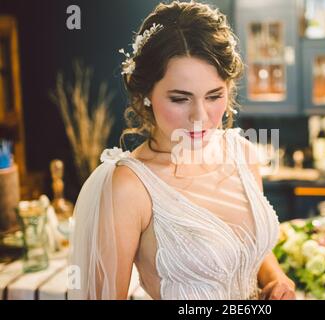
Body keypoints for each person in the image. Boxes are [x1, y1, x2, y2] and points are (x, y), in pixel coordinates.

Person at [68, 0, 296, 300]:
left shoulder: (242, 153)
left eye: (214, 96)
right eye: (180, 99)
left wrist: (277, 280)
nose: (200, 117)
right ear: (145, 94)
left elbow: (249, 250)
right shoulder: (128, 188)